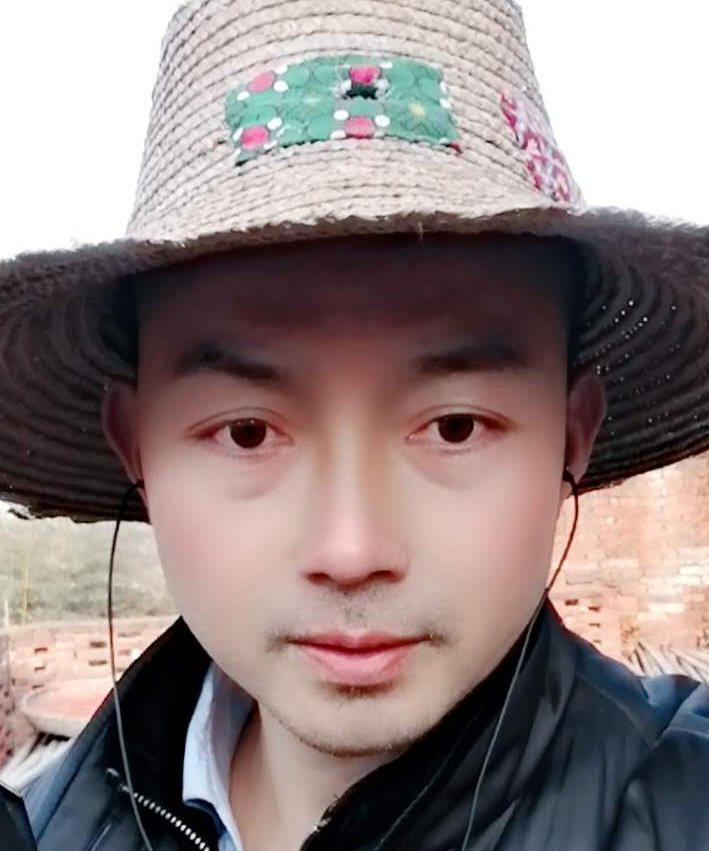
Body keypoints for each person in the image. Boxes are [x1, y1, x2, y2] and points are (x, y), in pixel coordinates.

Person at [2, 0, 708, 848]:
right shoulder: (49, 823)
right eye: (247, 432)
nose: (350, 549)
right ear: (135, 446)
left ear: (571, 433)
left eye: (454, 425)